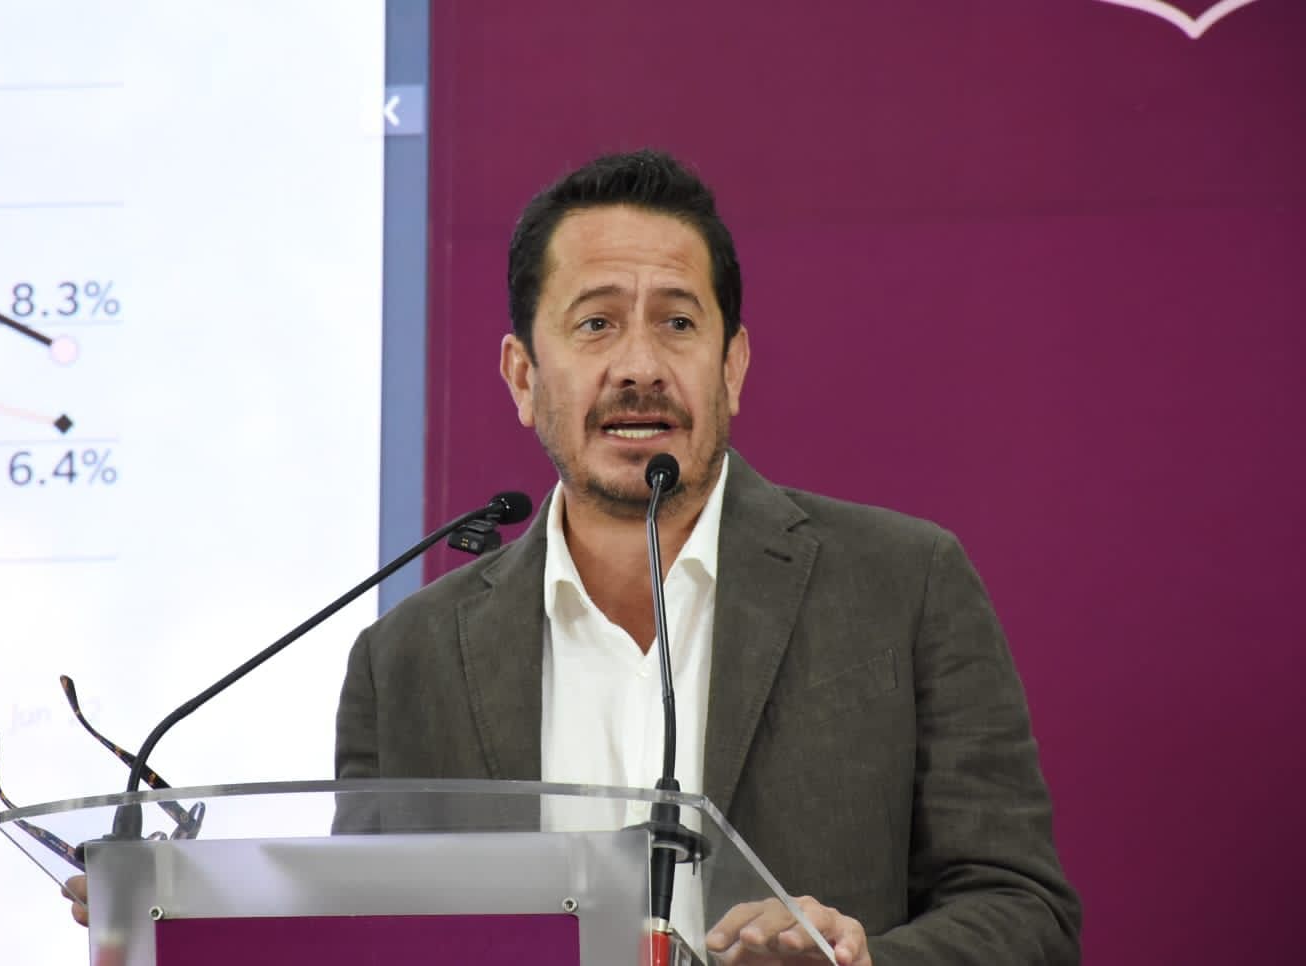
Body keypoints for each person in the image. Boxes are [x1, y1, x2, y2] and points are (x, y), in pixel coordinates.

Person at [69, 150, 1081, 964]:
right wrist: (184, 908)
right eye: (596, 324)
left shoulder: (902, 585)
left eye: (677, 323)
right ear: (523, 375)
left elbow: (1024, 914)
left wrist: (856, 963)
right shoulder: (407, 660)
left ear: (732, 366)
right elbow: (370, 935)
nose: (639, 365)